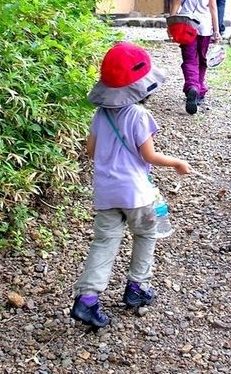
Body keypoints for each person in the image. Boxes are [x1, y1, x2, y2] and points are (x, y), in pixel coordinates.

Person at [70, 42, 191, 329]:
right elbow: (147, 155)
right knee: (146, 234)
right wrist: (176, 163)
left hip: (105, 193)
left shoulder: (99, 116)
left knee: (104, 242)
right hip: (136, 193)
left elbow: (91, 151)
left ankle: (87, 299)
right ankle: (137, 288)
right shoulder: (139, 115)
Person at [170, 0, 220, 115]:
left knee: (190, 59)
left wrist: (171, 21)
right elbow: (212, 6)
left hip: (186, 25)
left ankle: (192, 86)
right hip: (205, 26)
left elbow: (177, 0)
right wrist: (217, 31)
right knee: (202, 59)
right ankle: (199, 89)